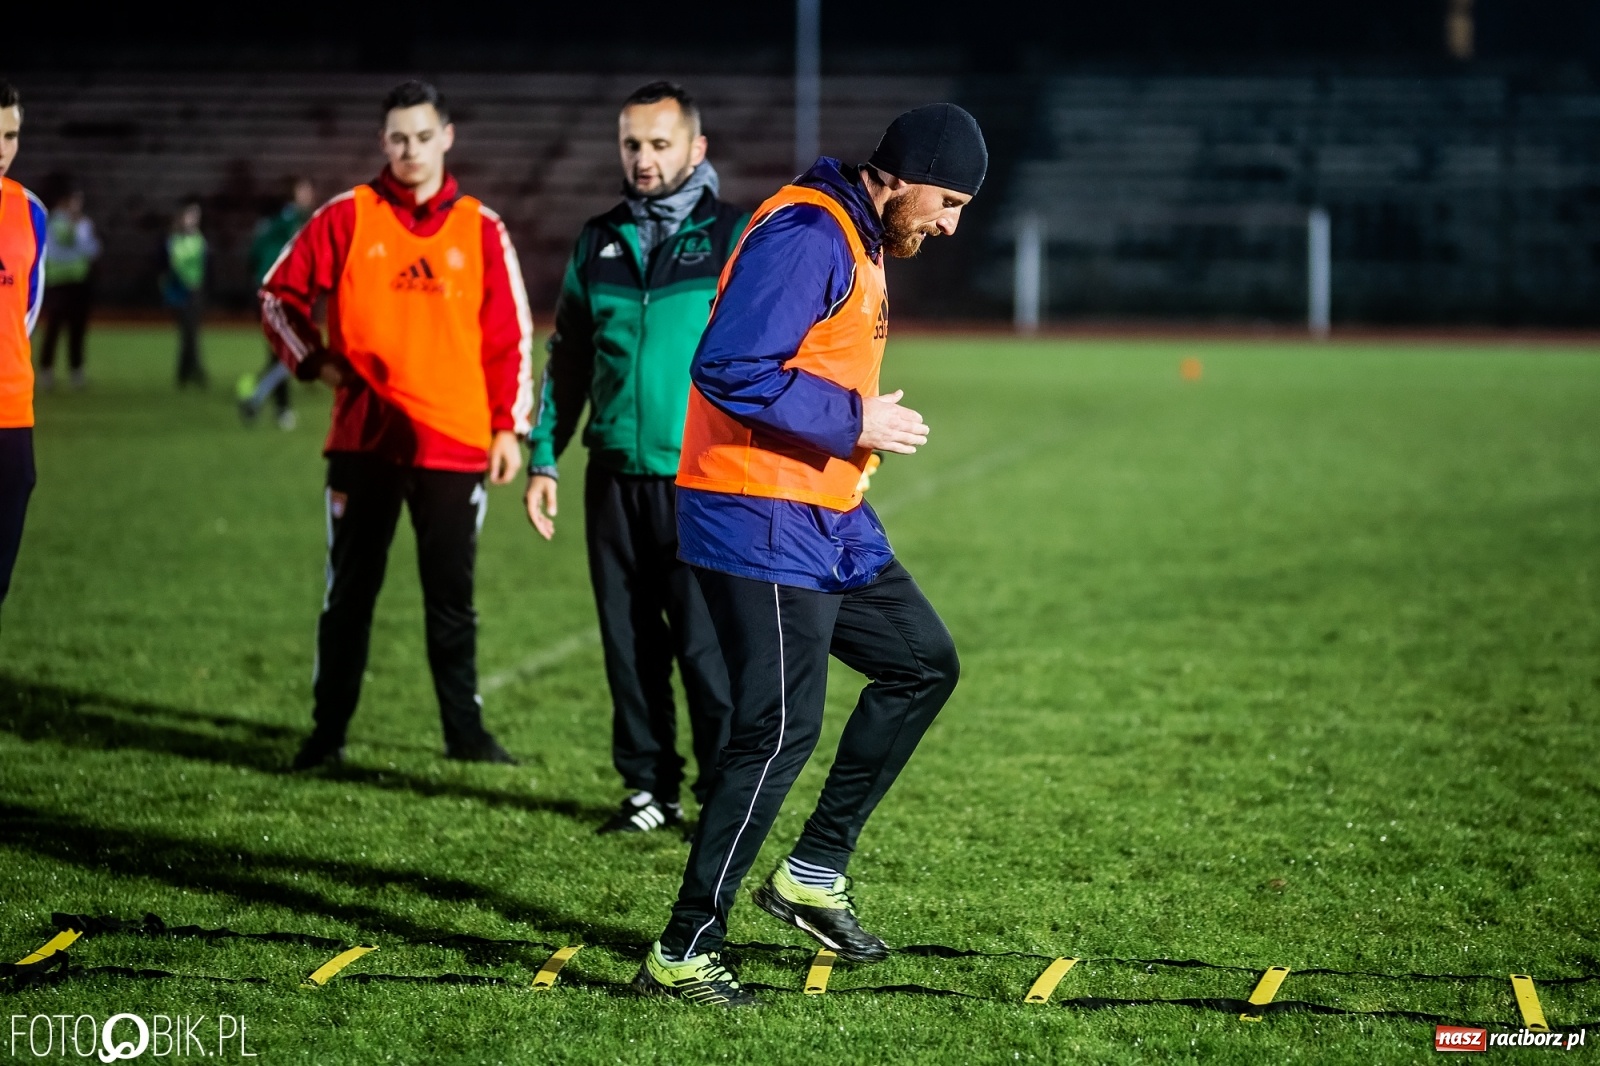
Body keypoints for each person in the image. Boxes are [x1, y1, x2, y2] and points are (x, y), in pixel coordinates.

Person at [632, 104, 987, 1006]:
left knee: (921, 665)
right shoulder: (808, 230)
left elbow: (805, 363)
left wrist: (850, 417)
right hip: (757, 513)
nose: (950, 224)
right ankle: (684, 949)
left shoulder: (862, 237)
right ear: (899, 176)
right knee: (778, 731)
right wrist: (855, 417)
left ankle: (811, 872)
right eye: (946, 201)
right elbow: (727, 364)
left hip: (825, 511)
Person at [260, 80, 532, 769]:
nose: (410, 150)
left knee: (451, 601)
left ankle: (465, 736)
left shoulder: (481, 227)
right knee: (348, 596)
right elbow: (276, 296)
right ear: (384, 143)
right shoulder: (347, 216)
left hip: (456, 444)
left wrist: (509, 428)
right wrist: (314, 362)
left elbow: (509, 339)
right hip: (363, 444)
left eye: (422, 135)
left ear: (447, 135)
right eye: (397, 138)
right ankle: (327, 736)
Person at [524, 82, 742, 835]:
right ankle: (649, 789)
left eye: (658, 144)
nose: (643, 159)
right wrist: (544, 458)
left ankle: (724, 794)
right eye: (631, 145)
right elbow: (570, 358)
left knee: (706, 652)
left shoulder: (732, 239)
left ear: (695, 149)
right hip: (612, 476)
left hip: (701, 483)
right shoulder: (598, 240)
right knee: (628, 643)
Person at [0, 79, 47, 626]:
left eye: (12, 135)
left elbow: (27, 310)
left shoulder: (30, 211)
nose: (3, 148)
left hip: (13, 415)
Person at [239, 177, 315, 430]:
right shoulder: (290, 222)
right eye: (303, 189)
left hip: (275, 293)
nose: (308, 194)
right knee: (292, 353)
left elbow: (254, 254)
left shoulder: (277, 223)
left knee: (283, 354)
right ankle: (260, 399)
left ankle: (270, 404)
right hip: (281, 294)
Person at [37, 186, 100, 392]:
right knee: (54, 327)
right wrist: (77, 230)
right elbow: (67, 240)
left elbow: (93, 249)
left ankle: (76, 370)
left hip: (80, 281)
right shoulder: (54, 221)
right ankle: (46, 370)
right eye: (74, 200)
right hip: (59, 282)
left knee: (78, 328)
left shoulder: (84, 222)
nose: (77, 205)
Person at [162, 197, 207, 388]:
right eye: (191, 214)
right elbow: (177, 264)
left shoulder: (198, 237)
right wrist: (189, 282)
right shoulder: (175, 239)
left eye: (197, 215)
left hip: (196, 290)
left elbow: (203, 265)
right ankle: (193, 371)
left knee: (191, 333)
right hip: (182, 291)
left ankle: (186, 373)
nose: (195, 219)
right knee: (188, 333)